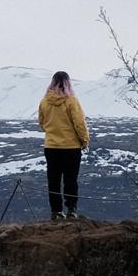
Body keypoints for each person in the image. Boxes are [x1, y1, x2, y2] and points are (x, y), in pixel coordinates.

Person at [38, 70, 90, 220]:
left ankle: (56, 211)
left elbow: (42, 123)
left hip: (51, 147)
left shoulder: (44, 102)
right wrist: (84, 141)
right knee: (70, 179)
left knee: (53, 180)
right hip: (71, 147)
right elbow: (79, 123)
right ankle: (71, 210)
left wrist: (52, 132)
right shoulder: (71, 101)